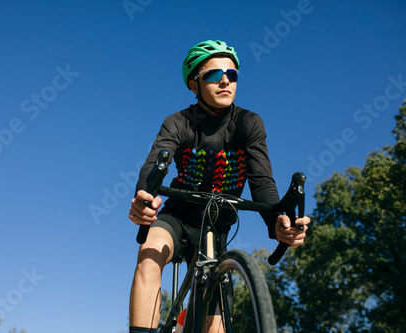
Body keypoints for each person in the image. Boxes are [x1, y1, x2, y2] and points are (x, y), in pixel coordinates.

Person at [128, 40, 310, 333]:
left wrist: (278, 221)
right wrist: (144, 199)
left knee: (216, 327)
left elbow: (261, 181)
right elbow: (153, 165)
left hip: (217, 226)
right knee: (149, 255)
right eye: (213, 75)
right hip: (177, 216)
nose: (225, 80)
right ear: (194, 84)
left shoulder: (248, 123)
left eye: (232, 74)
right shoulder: (178, 122)